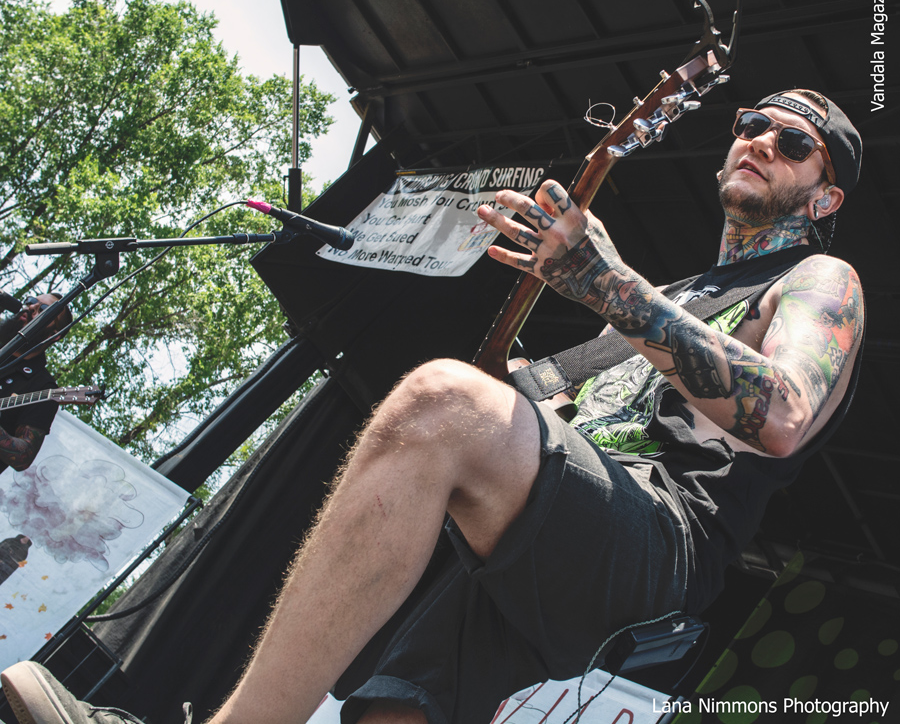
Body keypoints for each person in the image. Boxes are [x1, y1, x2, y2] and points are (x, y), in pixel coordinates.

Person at [1, 89, 864, 724]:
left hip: (662, 544)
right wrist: (526, 374)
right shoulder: (678, 292)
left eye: (794, 142)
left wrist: (606, 283)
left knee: (442, 401)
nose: (761, 142)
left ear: (823, 197)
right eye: (750, 125)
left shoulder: (819, 279)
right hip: (562, 530)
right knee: (394, 711)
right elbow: (571, 410)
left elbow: (784, 413)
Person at [0, 293, 72, 473]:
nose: (31, 307)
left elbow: (23, 456)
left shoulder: (43, 388)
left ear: (54, 335)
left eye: (43, 310)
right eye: (31, 301)